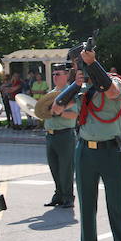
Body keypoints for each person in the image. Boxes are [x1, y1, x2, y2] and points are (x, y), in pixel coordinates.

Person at [51, 50, 121, 241]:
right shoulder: (80, 89)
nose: (79, 71)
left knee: (117, 208)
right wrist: (74, 87)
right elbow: (58, 109)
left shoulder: (113, 79)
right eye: (77, 67)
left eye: (81, 66)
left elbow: (113, 92)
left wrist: (93, 64)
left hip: (110, 151)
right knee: (87, 208)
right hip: (85, 152)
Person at [44, 63, 78, 208]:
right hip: (50, 135)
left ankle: (68, 197)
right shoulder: (50, 94)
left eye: (58, 74)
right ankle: (58, 195)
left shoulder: (70, 92)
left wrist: (60, 112)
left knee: (66, 168)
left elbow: (74, 115)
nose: (55, 77)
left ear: (66, 76)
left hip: (65, 134)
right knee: (54, 167)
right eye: (54, 74)